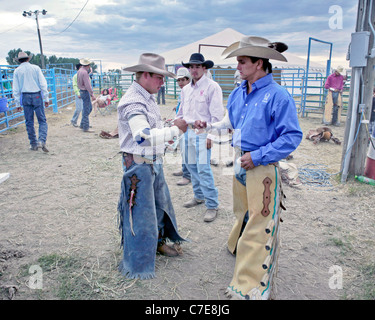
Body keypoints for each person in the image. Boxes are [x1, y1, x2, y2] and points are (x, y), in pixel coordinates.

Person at [195, 36, 303, 299]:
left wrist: (258, 156)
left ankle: (250, 287)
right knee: (242, 211)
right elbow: (230, 121)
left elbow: (291, 137)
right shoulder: (239, 92)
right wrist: (209, 126)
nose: (238, 67)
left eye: (242, 61)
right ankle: (239, 248)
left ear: (259, 63)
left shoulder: (278, 96)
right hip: (241, 160)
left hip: (261, 167)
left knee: (259, 222)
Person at [117, 53, 188, 280]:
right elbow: (142, 135)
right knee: (140, 214)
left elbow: (149, 128)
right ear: (145, 75)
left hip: (150, 163)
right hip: (140, 166)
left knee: (157, 207)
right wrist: (176, 130)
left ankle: (155, 245)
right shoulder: (133, 101)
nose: (163, 82)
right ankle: (138, 262)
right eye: (159, 77)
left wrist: (168, 126)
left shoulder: (145, 97)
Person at [177, 53, 224, 222]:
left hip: (203, 132)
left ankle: (212, 204)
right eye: (191, 67)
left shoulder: (212, 87)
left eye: (197, 66)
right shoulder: (186, 89)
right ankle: (198, 196)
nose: (194, 70)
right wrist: (177, 125)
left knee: (203, 168)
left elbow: (217, 116)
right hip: (187, 131)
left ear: (204, 68)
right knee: (190, 166)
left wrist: (211, 135)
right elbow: (181, 112)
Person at [12, 51, 49, 152]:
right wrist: (46, 98)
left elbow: (16, 89)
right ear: (28, 59)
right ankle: (41, 140)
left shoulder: (17, 71)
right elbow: (43, 84)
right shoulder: (36, 68)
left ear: (19, 61)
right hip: (36, 95)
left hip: (25, 96)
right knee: (42, 120)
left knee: (29, 121)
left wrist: (17, 103)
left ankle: (33, 144)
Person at [172, 67, 192, 186]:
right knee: (183, 149)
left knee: (188, 151)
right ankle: (185, 169)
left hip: (188, 125)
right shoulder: (183, 91)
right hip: (181, 124)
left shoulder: (191, 91)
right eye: (178, 80)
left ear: (188, 79)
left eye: (182, 80)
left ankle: (187, 175)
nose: (180, 83)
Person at [77, 58, 95, 132]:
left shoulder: (79, 71)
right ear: (88, 65)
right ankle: (85, 127)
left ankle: (83, 124)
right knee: (87, 109)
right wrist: (92, 94)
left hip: (82, 91)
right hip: (85, 91)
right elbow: (87, 85)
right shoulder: (84, 73)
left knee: (87, 108)